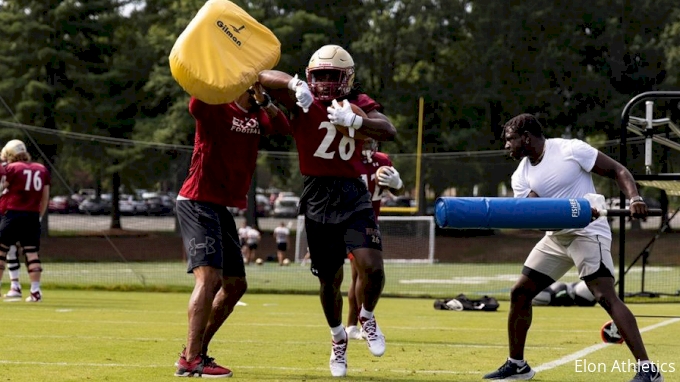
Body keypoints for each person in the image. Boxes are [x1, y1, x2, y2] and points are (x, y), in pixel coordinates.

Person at [484, 113, 663, 382]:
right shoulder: (520, 175)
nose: (506, 146)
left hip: (588, 232)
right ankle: (517, 365)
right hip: (557, 237)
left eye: (509, 140)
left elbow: (618, 171)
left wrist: (635, 197)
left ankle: (648, 371)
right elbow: (534, 215)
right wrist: (562, 213)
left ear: (526, 137)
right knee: (520, 292)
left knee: (604, 295)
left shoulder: (570, 149)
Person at [259, 44, 397, 377]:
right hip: (318, 195)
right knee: (329, 281)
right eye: (318, 76)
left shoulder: (358, 103)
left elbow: (388, 129)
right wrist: (293, 86)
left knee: (373, 268)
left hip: (353, 193)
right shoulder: (301, 98)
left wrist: (354, 118)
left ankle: (366, 315)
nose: (323, 84)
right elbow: (261, 77)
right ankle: (338, 339)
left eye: (331, 77)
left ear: (346, 78)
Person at [174, 84, 290, 378]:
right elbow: (195, 105)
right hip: (197, 200)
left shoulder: (257, 116)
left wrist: (265, 99)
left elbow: (282, 126)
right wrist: (219, 73)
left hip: (220, 207)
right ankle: (193, 359)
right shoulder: (216, 107)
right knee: (209, 277)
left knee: (236, 284)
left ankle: (192, 352)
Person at [346, 139, 403, 340]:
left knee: (359, 275)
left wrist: (398, 184)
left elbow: (397, 191)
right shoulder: (347, 157)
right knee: (363, 274)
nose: (368, 147)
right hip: (348, 221)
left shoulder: (382, 161)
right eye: (365, 141)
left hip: (369, 223)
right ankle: (360, 323)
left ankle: (353, 325)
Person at [0, 140, 50, 302]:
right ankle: (36, 291)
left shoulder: (12, 168)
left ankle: (12, 286)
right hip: (32, 216)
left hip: (12, 214)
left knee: (1, 253)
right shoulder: (41, 169)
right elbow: (45, 196)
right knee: (32, 254)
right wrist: (39, 216)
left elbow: (2, 187)